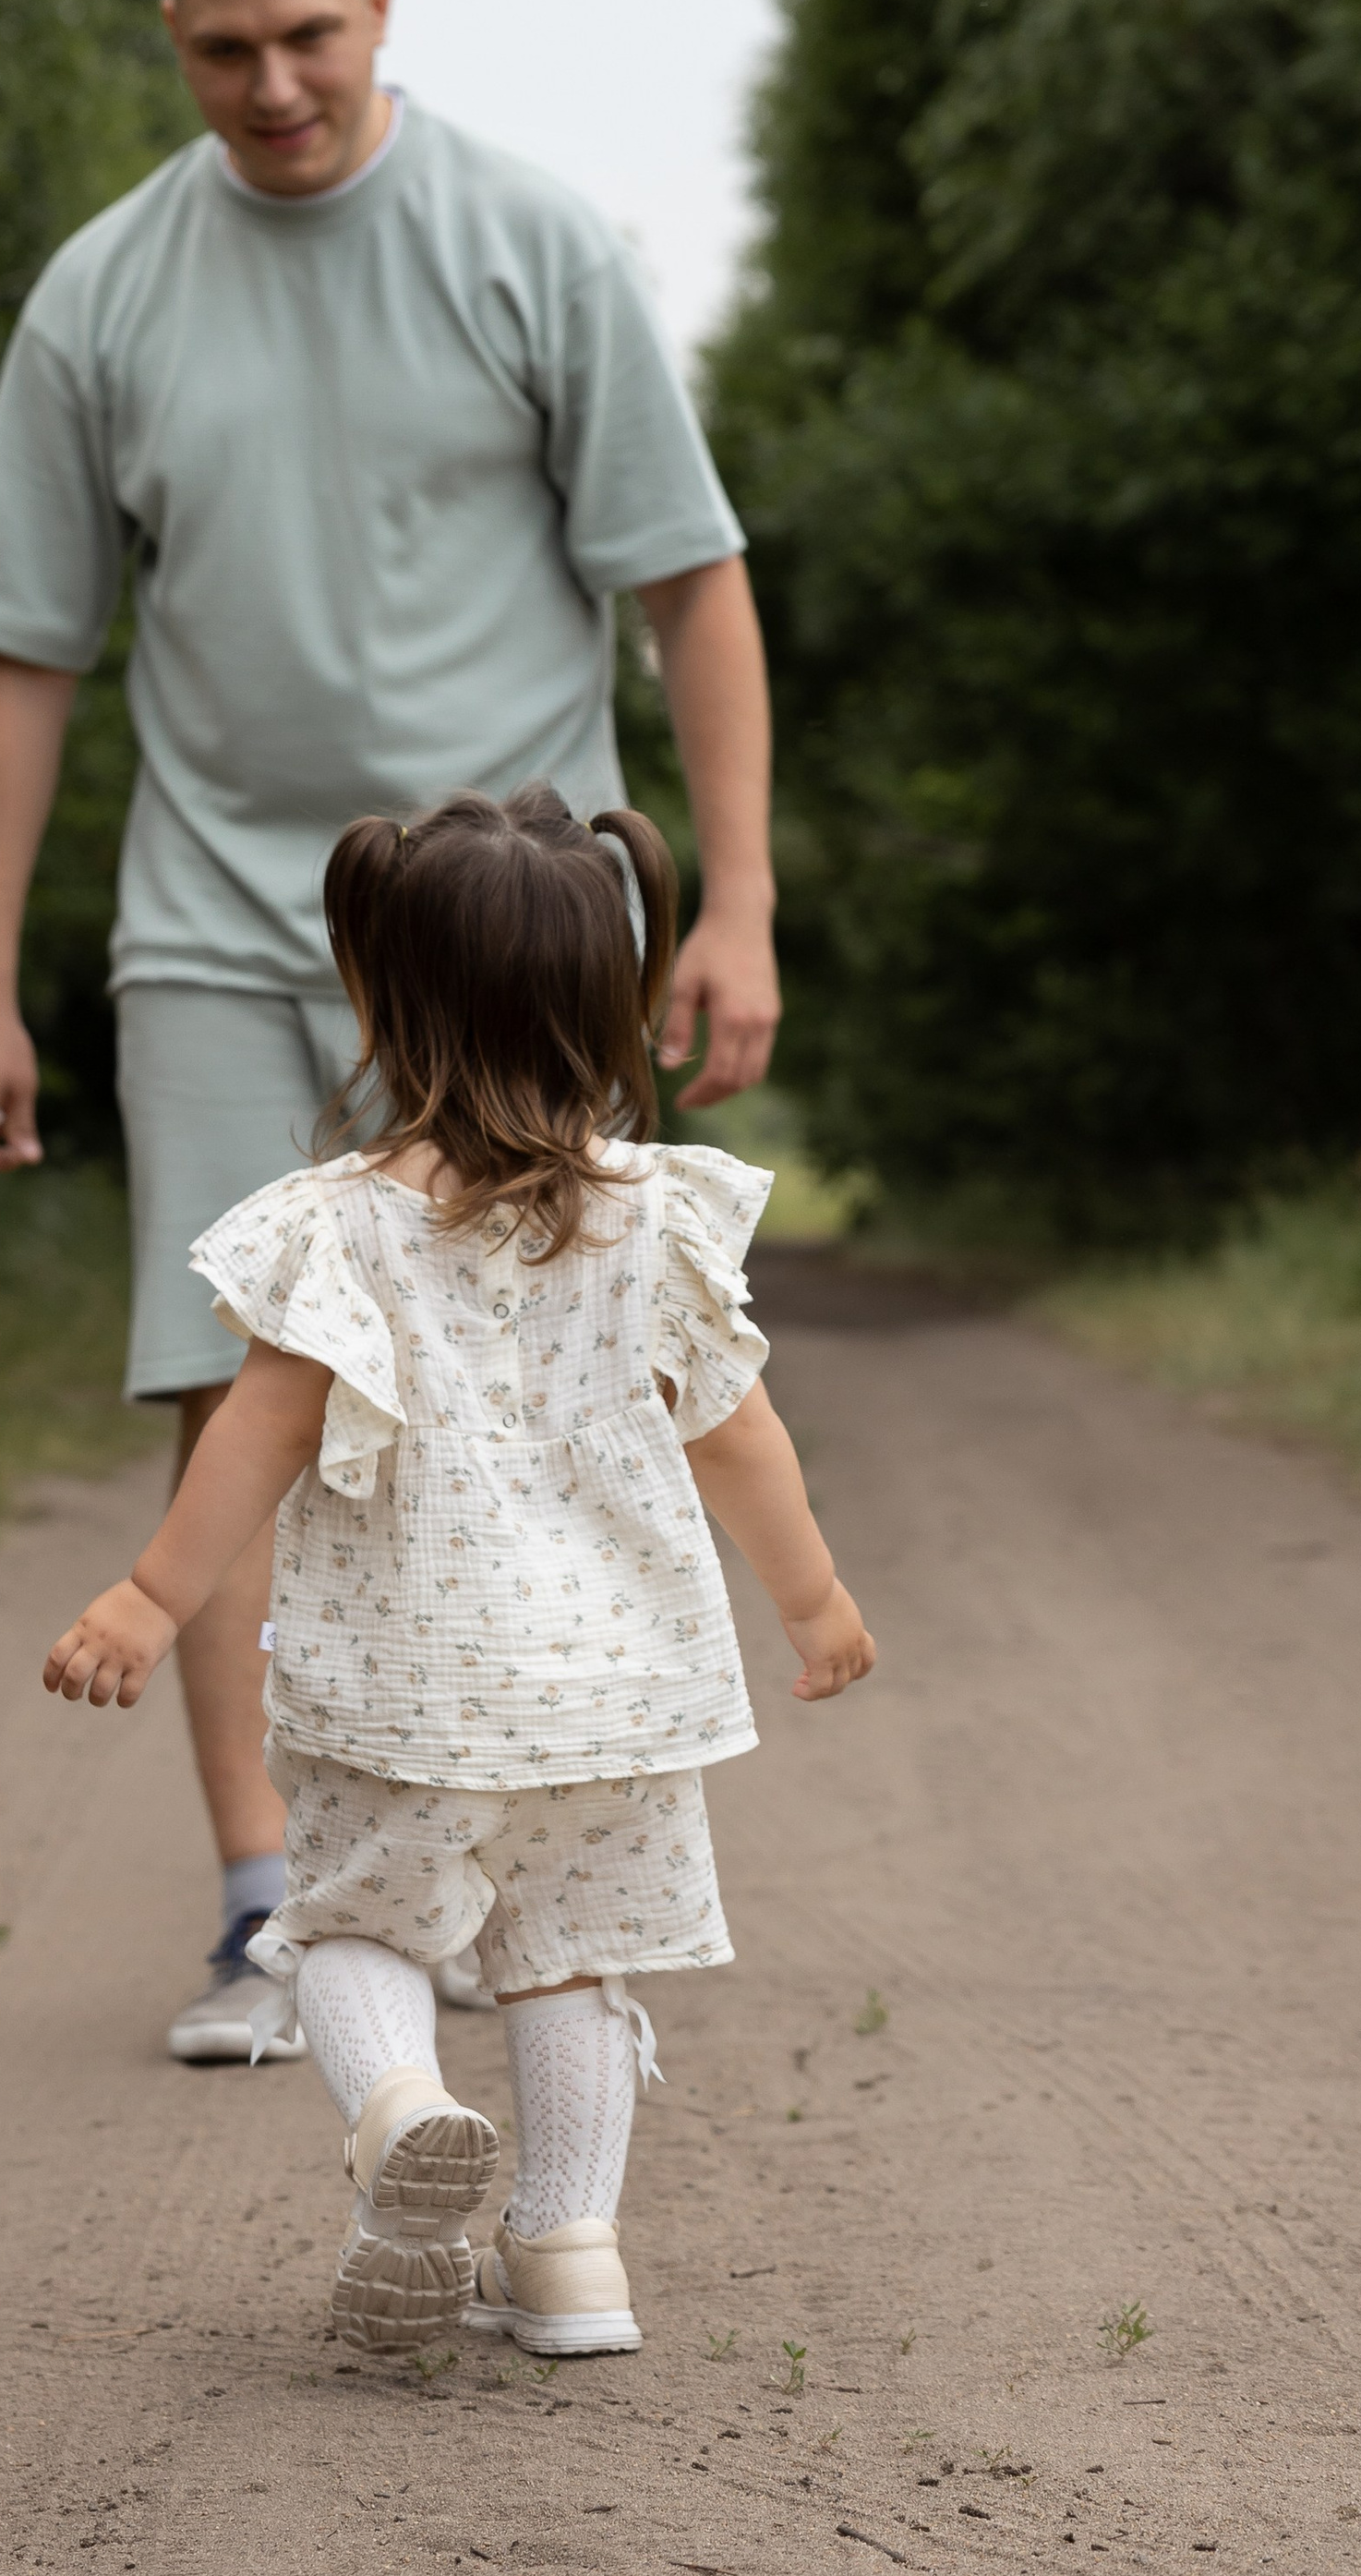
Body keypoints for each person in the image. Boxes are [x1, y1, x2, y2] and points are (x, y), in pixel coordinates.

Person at [0, 0, 781, 2065]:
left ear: (377, 3)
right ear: (176, 43)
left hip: (507, 930)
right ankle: (268, 1906)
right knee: (240, 1394)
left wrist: (736, 904)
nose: (273, 86)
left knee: (564, 1380)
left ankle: (541, 1892)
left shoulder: (532, 247)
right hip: (213, 920)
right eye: (224, 52)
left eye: (308, 36)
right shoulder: (102, 294)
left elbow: (686, 580)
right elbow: (18, 645)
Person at [42, 787, 874, 2355]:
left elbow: (254, 1438)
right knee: (568, 1961)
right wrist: (814, 1603)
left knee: (352, 1928)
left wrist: (152, 1598)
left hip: (408, 1685)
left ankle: (403, 2114)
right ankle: (570, 2259)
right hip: (616, 1700)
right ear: (611, 1001)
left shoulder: (338, 1234)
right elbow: (742, 1437)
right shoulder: (657, 1222)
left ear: (377, 1001)